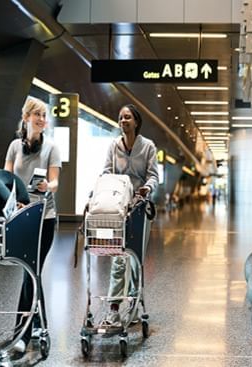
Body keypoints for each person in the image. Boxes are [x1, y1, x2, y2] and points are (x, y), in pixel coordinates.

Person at [4, 97, 61, 353]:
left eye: (44, 115)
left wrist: (47, 187)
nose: (41, 119)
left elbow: (55, 182)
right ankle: (36, 319)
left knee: (30, 270)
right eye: (36, 114)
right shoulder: (14, 146)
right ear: (26, 117)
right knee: (30, 271)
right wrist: (12, 200)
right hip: (19, 217)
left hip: (44, 219)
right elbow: (6, 179)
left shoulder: (51, 148)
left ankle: (21, 334)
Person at [101, 104, 158, 326]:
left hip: (139, 209)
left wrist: (146, 188)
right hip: (118, 208)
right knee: (118, 258)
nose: (123, 121)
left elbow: (153, 176)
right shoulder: (114, 146)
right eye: (120, 117)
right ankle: (114, 308)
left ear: (136, 121)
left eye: (127, 117)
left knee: (135, 259)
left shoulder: (148, 147)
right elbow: (106, 172)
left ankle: (134, 303)